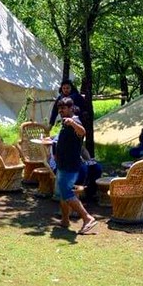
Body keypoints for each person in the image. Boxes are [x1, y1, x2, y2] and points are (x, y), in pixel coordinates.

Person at [53, 98, 97, 234]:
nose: (61, 110)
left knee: (66, 192)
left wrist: (72, 123)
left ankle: (87, 218)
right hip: (63, 163)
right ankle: (65, 220)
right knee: (62, 193)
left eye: (64, 108)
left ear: (71, 108)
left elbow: (82, 132)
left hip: (70, 165)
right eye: (59, 108)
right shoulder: (65, 123)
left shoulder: (74, 121)